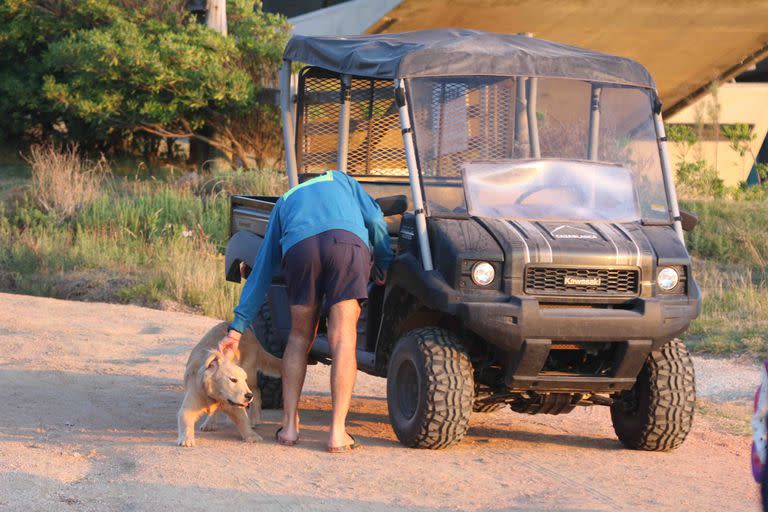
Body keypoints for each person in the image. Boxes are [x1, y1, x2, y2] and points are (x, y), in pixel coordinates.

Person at [219, 170, 394, 452]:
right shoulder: (341, 180)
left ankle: (288, 427)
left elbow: (262, 268)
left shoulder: (286, 199)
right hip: (346, 245)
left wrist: (236, 328)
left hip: (301, 249)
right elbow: (374, 219)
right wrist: (384, 259)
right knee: (343, 340)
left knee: (299, 337)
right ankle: (337, 433)